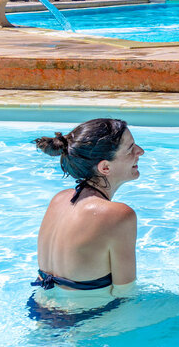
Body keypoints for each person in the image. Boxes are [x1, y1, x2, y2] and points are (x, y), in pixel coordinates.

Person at [32, 118, 144, 296]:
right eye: (131, 148)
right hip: (85, 319)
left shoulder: (59, 199)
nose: (141, 151)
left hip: (39, 308)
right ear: (105, 167)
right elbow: (125, 292)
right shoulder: (119, 215)